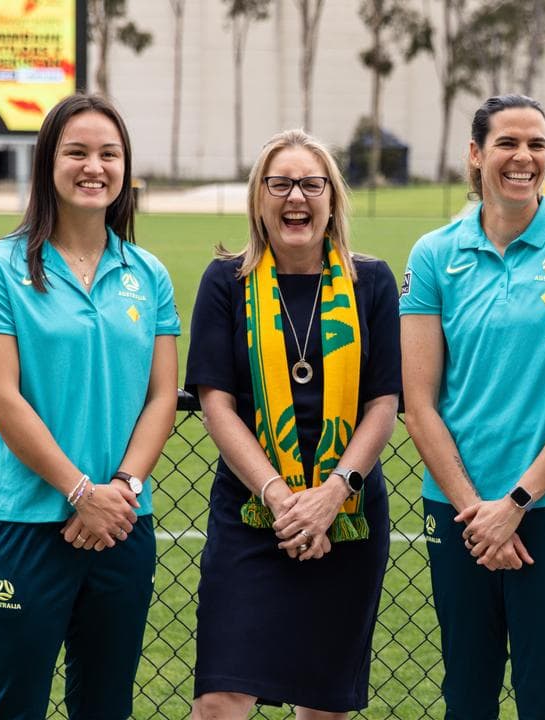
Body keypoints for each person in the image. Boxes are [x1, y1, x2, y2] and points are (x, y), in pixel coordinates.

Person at [400, 94, 545, 719]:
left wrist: (516, 504)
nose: (524, 157)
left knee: (543, 694)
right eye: (507, 143)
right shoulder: (434, 255)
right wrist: (479, 513)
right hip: (458, 509)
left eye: (536, 144)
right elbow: (419, 404)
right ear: (476, 155)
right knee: (466, 695)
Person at [0, 93, 180, 720]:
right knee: (14, 709)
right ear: (47, 162)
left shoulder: (149, 272)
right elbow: (0, 398)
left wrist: (122, 489)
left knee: (107, 706)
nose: (95, 167)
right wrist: (81, 490)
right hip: (26, 528)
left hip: (123, 526)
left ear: (125, 167)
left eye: (109, 154)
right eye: (77, 152)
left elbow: (162, 396)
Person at [186, 129, 401, 719]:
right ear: (260, 198)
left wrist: (332, 495)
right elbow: (216, 405)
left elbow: (383, 404)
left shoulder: (372, 283)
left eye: (312, 184)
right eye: (279, 184)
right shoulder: (225, 282)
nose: (296, 198)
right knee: (221, 698)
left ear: (332, 198)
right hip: (252, 513)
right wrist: (283, 499)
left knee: (322, 704)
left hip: (348, 513)